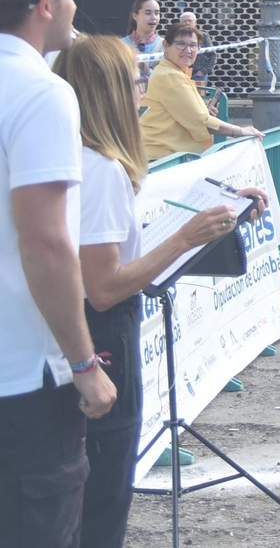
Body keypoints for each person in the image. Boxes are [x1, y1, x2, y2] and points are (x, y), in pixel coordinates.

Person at [57, 37, 263, 548]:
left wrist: (217, 214)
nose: (141, 90)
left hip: (81, 332)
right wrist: (185, 237)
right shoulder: (101, 169)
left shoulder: (83, 159)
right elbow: (104, 286)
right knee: (101, 499)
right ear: (106, 93)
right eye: (132, 81)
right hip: (102, 334)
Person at [1, 0, 118, 547]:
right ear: (45, 2)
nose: (76, 5)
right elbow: (45, 242)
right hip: (23, 379)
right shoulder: (42, 91)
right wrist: (83, 363)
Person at [140, 21, 260, 160]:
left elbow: (186, 116)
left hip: (170, 157)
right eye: (180, 44)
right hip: (165, 159)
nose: (188, 50)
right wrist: (241, 131)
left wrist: (204, 111)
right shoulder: (169, 75)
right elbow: (201, 121)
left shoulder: (174, 72)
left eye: (193, 45)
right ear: (166, 46)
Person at [122, 0, 162, 93]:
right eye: (148, 13)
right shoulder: (120, 45)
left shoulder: (166, 46)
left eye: (157, 13)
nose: (153, 17)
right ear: (135, 16)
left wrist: (147, 70)